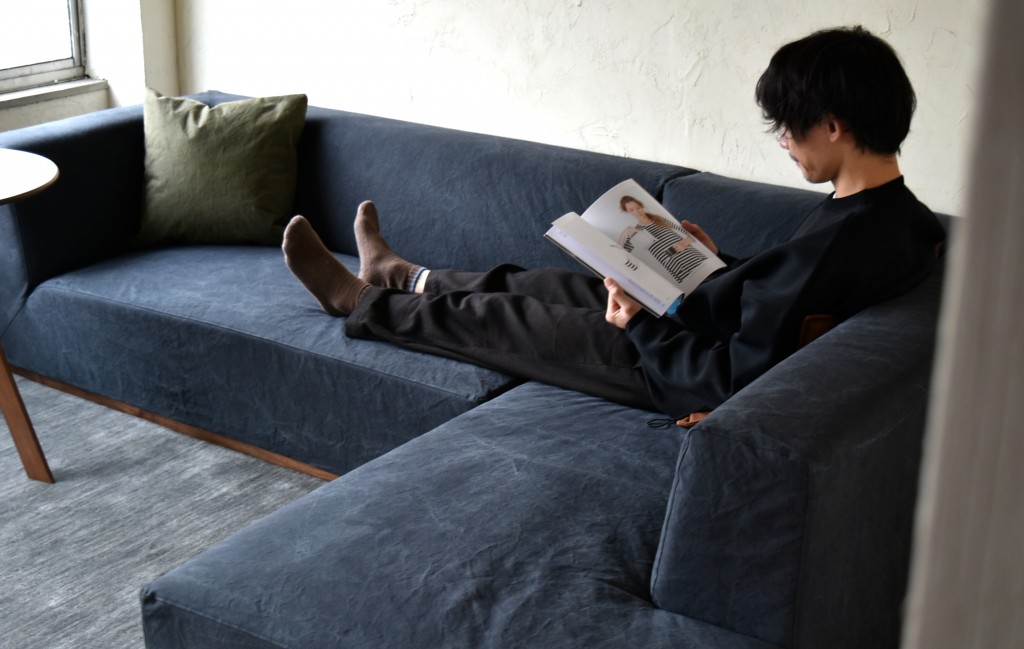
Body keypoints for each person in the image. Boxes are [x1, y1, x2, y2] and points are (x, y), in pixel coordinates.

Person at [282, 26, 944, 422]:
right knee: (537, 282)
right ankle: (403, 275)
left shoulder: (852, 239)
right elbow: (783, 300)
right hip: (692, 324)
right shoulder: (899, 219)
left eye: (789, 126)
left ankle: (358, 301)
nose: (783, 141)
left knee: (504, 319)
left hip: (666, 365)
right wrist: (714, 263)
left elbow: (736, 377)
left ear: (833, 125)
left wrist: (641, 326)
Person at [617, 195, 710, 284]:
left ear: (641, 206)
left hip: (695, 259)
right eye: (632, 210)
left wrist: (684, 243)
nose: (637, 212)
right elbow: (621, 253)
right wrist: (624, 234)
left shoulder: (660, 219)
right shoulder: (635, 232)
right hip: (678, 270)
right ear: (628, 212)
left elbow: (690, 235)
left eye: (638, 207)